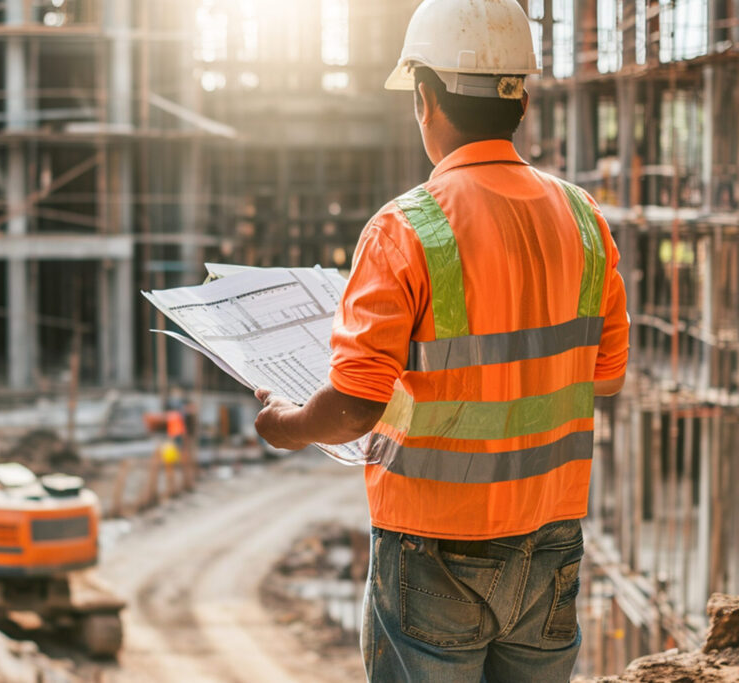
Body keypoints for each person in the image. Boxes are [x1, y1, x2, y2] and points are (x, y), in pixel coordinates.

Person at [253, 0, 630, 680]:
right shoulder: (584, 218)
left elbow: (356, 404)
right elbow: (605, 376)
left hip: (434, 548)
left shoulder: (406, 228)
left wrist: (287, 425)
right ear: (522, 98)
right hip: (551, 539)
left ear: (424, 97)